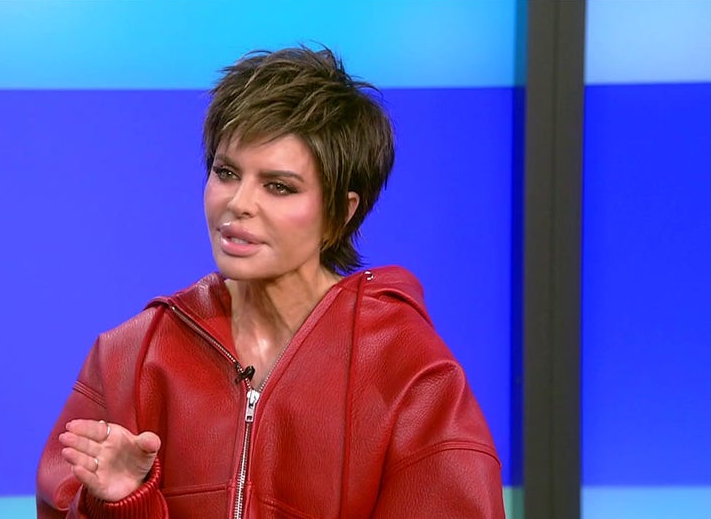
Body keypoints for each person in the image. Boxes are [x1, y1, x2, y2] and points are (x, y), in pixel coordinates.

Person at [36, 44, 505, 518]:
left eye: (278, 186)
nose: (239, 203)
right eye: (226, 173)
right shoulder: (132, 357)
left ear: (340, 213)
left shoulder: (407, 369)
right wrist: (122, 504)